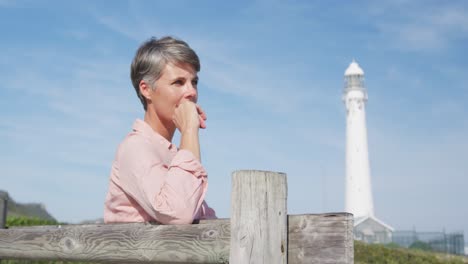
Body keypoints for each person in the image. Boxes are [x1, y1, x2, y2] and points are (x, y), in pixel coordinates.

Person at [104, 36, 216, 224]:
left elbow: (206, 217)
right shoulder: (135, 147)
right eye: (178, 82)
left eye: (194, 82)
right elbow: (180, 212)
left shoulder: (175, 154)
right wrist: (189, 130)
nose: (192, 92)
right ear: (146, 90)